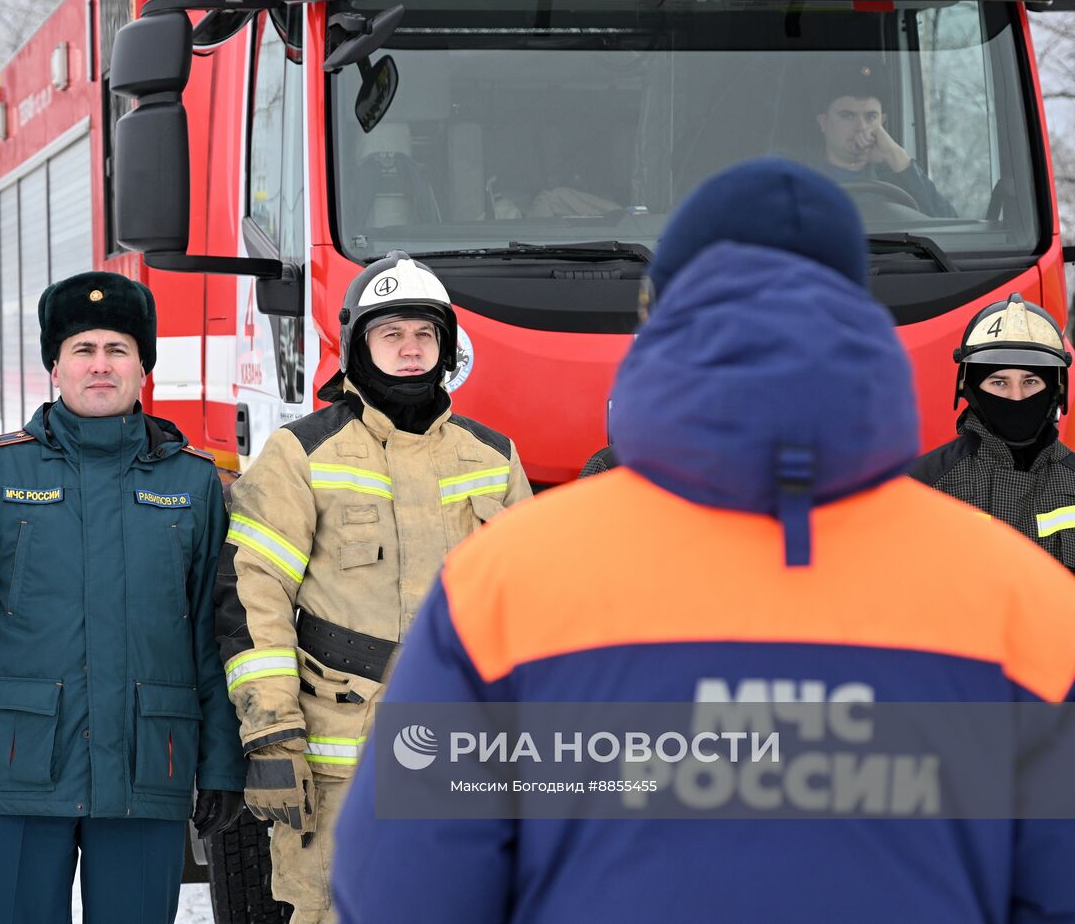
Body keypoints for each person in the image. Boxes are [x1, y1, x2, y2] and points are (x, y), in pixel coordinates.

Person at [332, 159, 1075, 923]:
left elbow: (401, 894)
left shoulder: (504, 587)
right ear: (857, 312)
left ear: (659, 316)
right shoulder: (1027, 608)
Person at [0, 271, 245, 924]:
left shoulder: (194, 483)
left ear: (143, 365)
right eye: (82, 349)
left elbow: (217, 636)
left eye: (117, 349)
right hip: (21, 771)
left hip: (149, 772)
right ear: (54, 366)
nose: (100, 365)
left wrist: (222, 760)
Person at [217, 250, 532, 924]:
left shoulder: (494, 457)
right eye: (391, 334)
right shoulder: (301, 454)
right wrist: (272, 733)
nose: (410, 349)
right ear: (357, 344)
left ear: (447, 349)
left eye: (425, 334)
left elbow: (533, 609)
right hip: (340, 764)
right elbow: (254, 598)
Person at [909, 293, 1075, 572]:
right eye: (998, 382)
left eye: (1031, 381)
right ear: (971, 390)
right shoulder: (922, 487)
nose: (1016, 396)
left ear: (1055, 392)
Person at [813, 65, 957, 218]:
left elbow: (952, 231)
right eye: (848, 116)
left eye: (871, 117)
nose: (861, 127)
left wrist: (895, 154)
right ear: (824, 122)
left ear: (882, 122)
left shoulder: (899, 179)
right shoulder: (798, 175)